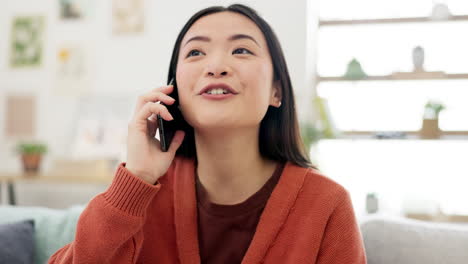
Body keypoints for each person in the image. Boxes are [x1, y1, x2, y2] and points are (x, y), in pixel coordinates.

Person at [49, 4, 366, 264]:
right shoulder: (143, 194)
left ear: (276, 92)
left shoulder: (327, 204)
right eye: (196, 53)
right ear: (173, 90)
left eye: (241, 50)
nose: (216, 66)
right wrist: (136, 178)